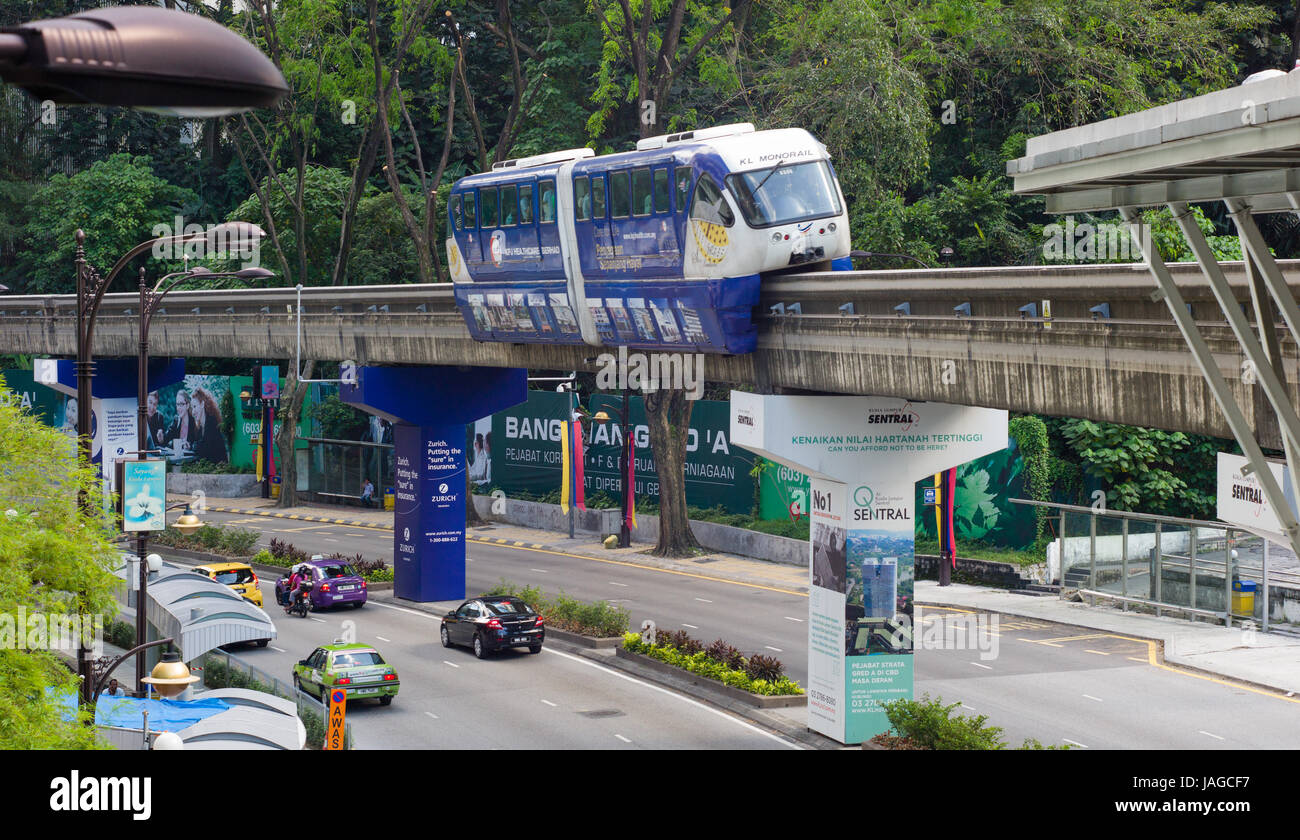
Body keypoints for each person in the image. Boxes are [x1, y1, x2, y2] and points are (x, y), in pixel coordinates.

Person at [190, 386, 229, 464]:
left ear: (202, 404)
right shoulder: (200, 427)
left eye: (194, 406)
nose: (193, 412)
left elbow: (204, 450)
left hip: (218, 470)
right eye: (192, 408)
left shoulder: (212, 423)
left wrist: (194, 446)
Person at [165, 389, 195, 455]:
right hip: (177, 460)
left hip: (191, 461)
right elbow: (166, 439)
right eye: (177, 404)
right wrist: (161, 438)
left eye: (181, 404)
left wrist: (190, 446)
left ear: (187, 405)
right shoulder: (176, 420)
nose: (178, 408)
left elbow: (198, 444)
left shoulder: (194, 422)